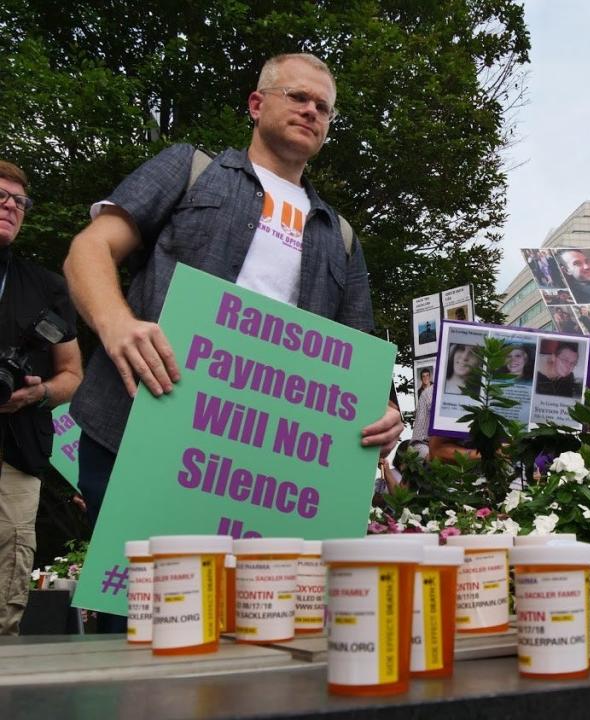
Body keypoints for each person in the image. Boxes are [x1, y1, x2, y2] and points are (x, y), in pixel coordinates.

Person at [64, 54, 404, 538]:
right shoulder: (190, 168)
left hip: (269, 466)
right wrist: (114, 322)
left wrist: (387, 410)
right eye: (298, 97)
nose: (311, 111)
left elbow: (359, 349)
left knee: (258, 610)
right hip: (141, 425)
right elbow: (89, 248)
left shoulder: (341, 235)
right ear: (256, 103)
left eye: (323, 107)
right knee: (139, 604)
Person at [0, 161, 83, 635]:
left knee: (7, 593)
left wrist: (39, 392)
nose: (11, 206)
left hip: (17, 452)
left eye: (19, 201)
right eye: (1, 196)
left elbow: (73, 375)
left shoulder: (46, 286)